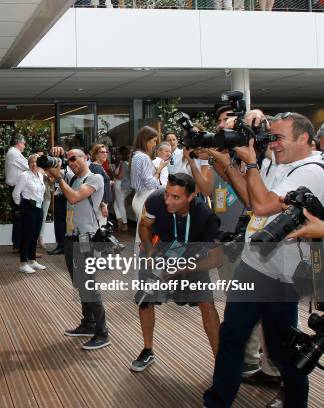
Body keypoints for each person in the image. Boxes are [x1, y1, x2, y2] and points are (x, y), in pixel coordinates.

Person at [204, 111, 324, 408]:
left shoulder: (312, 171)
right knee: (232, 337)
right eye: (271, 138)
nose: (273, 144)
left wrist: (253, 163)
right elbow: (249, 198)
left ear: (304, 138)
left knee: (283, 350)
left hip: (281, 279)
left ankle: (295, 402)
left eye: (279, 138)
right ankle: (216, 402)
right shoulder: (276, 161)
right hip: (253, 266)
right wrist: (229, 163)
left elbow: (262, 205)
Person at [130, 173, 223, 372]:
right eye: (167, 194)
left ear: (190, 197)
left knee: (207, 305)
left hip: (191, 259)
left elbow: (216, 260)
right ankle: (147, 350)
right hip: (158, 252)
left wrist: (180, 269)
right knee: (145, 300)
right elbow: (145, 226)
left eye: (176, 197)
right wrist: (148, 249)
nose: (168, 201)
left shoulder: (205, 216)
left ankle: (220, 361)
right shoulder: (155, 199)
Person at [45, 148, 110, 350]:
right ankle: (88, 324)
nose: (71, 162)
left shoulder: (95, 178)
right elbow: (53, 179)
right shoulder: (71, 178)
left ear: (86, 158)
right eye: (68, 159)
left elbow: (73, 198)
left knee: (88, 284)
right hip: (71, 236)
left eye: (74, 158)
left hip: (86, 238)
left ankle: (102, 332)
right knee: (79, 283)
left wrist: (58, 179)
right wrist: (51, 166)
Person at [12, 154, 47, 274]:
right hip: (28, 208)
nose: (34, 164)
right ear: (28, 164)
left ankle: (32, 260)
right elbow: (16, 194)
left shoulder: (40, 176)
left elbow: (41, 193)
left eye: (36, 162)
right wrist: (21, 206)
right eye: (31, 162)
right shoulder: (24, 176)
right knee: (27, 236)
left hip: (39, 208)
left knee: (35, 235)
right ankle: (23, 264)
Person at [131, 126, 161, 252]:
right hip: (145, 197)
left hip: (140, 196)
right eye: (154, 141)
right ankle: (140, 264)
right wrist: (161, 186)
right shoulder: (142, 157)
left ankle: (140, 263)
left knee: (142, 234)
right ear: (145, 140)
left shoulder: (137, 156)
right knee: (143, 235)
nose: (155, 145)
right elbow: (149, 182)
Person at [5, 134, 29, 251]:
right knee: (21, 217)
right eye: (24, 143)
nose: (24, 146)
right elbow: (29, 165)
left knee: (19, 217)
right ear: (19, 143)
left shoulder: (13, 152)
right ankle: (19, 246)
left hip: (16, 188)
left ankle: (18, 245)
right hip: (17, 189)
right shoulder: (14, 153)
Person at [89, 144, 112, 225]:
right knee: (100, 229)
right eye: (102, 152)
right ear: (95, 154)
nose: (105, 154)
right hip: (99, 205)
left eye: (106, 152)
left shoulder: (97, 166)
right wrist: (103, 205)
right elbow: (97, 188)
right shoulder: (96, 168)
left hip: (99, 203)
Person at [113, 146, 131, 232]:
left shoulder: (122, 164)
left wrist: (112, 172)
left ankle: (124, 224)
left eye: (118, 153)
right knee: (116, 204)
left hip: (120, 186)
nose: (117, 155)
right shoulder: (128, 163)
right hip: (127, 187)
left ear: (121, 154)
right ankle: (119, 222)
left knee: (120, 205)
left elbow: (120, 176)